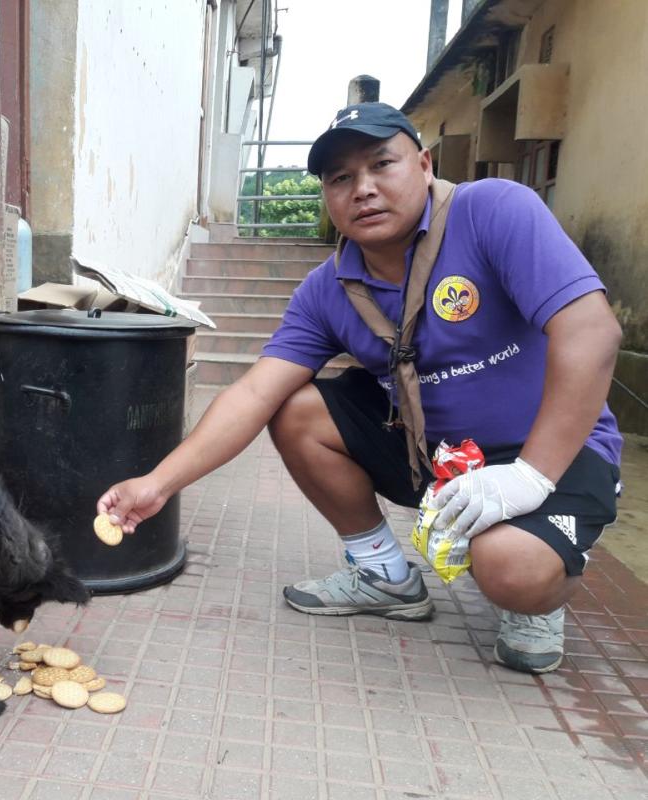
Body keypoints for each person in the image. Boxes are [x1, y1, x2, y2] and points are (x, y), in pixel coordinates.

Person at [97, 102, 623, 674]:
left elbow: (592, 332)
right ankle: (383, 574)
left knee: (511, 570)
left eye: (381, 164)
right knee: (295, 408)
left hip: (553, 451)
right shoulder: (326, 290)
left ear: (424, 164)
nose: (363, 189)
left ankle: (538, 599)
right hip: (436, 456)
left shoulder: (494, 211)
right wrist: (157, 484)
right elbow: (252, 395)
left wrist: (529, 476)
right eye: (340, 178)